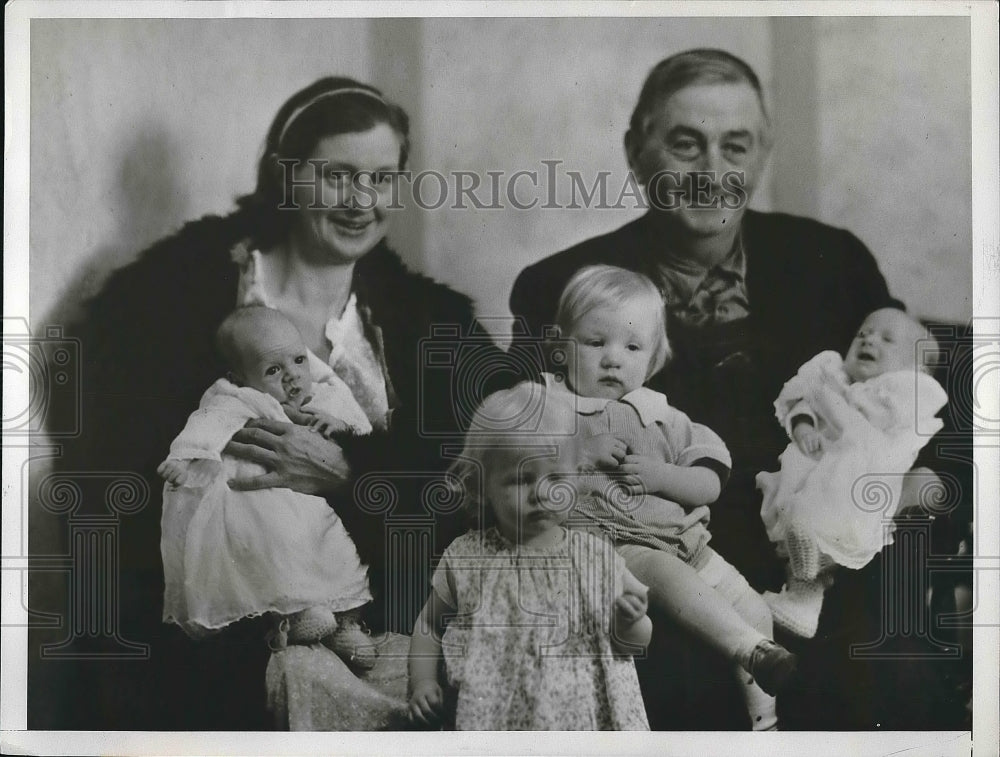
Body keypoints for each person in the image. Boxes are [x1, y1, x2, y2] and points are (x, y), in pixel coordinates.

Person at [34, 77, 507, 730]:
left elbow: (484, 485)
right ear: (286, 177)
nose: (360, 201)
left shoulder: (433, 328)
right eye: (336, 175)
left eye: (380, 178)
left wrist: (351, 474)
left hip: (385, 611)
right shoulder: (179, 298)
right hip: (226, 622)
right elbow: (115, 483)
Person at [509, 48, 962, 729]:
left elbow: (922, 406)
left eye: (736, 146)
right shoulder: (563, 285)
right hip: (669, 584)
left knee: (893, 675)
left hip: (833, 572)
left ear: (763, 153)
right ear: (636, 152)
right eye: (685, 145)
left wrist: (931, 483)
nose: (712, 174)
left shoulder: (833, 260)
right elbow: (525, 460)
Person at [547, 264, 795, 730]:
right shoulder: (549, 406)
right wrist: (574, 451)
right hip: (609, 550)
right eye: (595, 343)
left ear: (654, 359)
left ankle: (765, 722)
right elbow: (508, 463)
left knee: (755, 610)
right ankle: (746, 648)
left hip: (685, 544)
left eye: (632, 347)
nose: (612, 359)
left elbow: (710, 483)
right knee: (664, 572)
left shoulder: (665, 416)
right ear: (560, 348)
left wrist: (663, 476)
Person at [408, 384, 652, 730]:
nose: (542, 492)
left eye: (556, 477)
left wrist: (630, 622)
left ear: (577, 476)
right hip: (497, 719)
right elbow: (429, 624)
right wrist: (422, 681)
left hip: (585, 721)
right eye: (521, 479)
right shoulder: (467, 556)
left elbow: (634, 643)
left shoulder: (595, 556)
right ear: (481, 487)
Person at [158, 306, 377, 671]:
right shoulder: (235, 398)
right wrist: (183, 456)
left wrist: (336, 425)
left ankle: (347, 622)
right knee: (276, 557)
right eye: (273, 370)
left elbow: (360, 432)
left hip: (312, 503)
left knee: (335, 549)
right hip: (260, 503)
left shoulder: (324, 393)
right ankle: (291, 620)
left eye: (297, 360)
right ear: (240, 377)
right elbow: (207, 424)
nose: (292, 377)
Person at [756, 308, 947, 638]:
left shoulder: (905, 394)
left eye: (886, 339)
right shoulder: (831, 374)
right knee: (798, 517)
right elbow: (802, 401)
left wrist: (843, 400)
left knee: (828, 520)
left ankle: (806, 593)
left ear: (914, 369)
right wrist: (803, 426)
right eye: (863, 333)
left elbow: (885, 422)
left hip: (859, 476)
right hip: (815, 468)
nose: (869, 338)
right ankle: (803, 603)